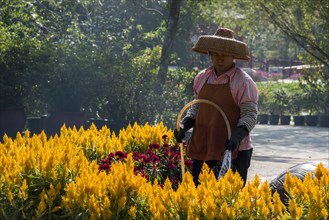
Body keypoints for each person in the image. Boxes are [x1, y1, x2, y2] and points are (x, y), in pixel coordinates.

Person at [174, 27, 258, 187]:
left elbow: (249, 115)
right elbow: (196, 108)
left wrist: (236, 137)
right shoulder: (202, 78)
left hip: (232, 150)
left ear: (233, 56)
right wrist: (184, 126)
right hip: (204, 145)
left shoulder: (242, 81)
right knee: (200, 195)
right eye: (216, 54)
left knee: (229, 198)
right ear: (209, 54)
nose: (220, 59)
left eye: (225, 55)